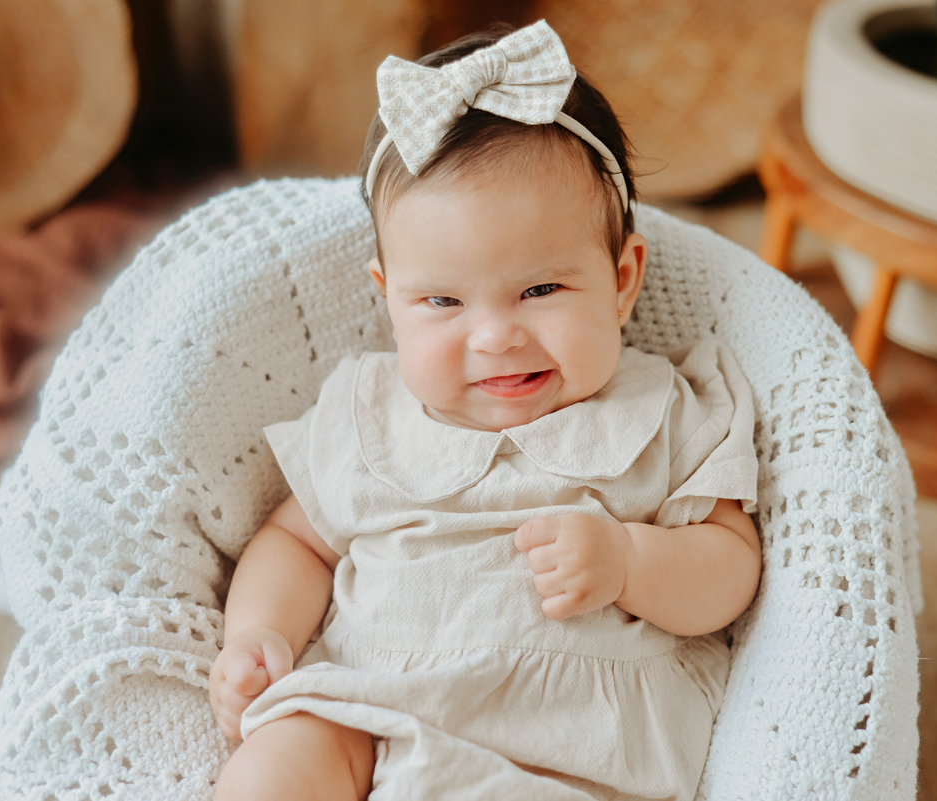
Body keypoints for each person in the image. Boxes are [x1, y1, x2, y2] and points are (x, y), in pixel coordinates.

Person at [209, 21, 761, 801]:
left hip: (567, 744)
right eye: (443, 301)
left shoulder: (660, 406)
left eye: (541, 289)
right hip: (369, 705)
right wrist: (258, 633)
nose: (496, 336)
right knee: (276, 765)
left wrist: (630, 562)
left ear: (622, 279)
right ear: (389, 300)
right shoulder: (370, 413)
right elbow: (295, 541)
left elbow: (732, 564)